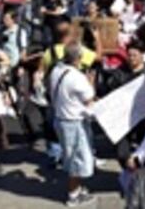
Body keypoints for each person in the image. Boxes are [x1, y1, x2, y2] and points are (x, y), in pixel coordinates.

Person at [50, 43, 96, 206]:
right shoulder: (77, 77)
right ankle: (73, 195)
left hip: (61, 119)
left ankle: (78, 188)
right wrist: (91, 82)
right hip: (74, 122)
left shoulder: (56, 70)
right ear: (78, 58)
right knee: (77, 161)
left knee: (73, 157)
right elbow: (89, 98)